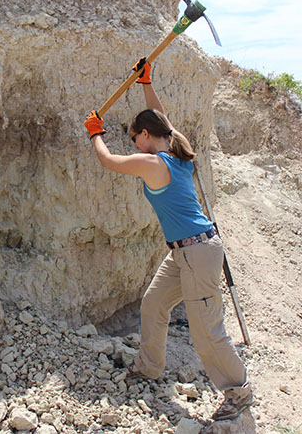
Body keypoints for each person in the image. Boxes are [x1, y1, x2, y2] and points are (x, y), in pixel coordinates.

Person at [84, 59, 255, 421]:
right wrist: (147, 82)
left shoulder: (156, 163)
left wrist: (94, 133)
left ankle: (238, 393)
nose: (136, 145)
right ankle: (148, 368)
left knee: (206, 331)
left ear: (144, 135)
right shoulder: (177, 151)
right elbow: (163, 120)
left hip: (198, 252)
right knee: (154, 305)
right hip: (185, 253)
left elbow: (111, 162)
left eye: (136, 138)